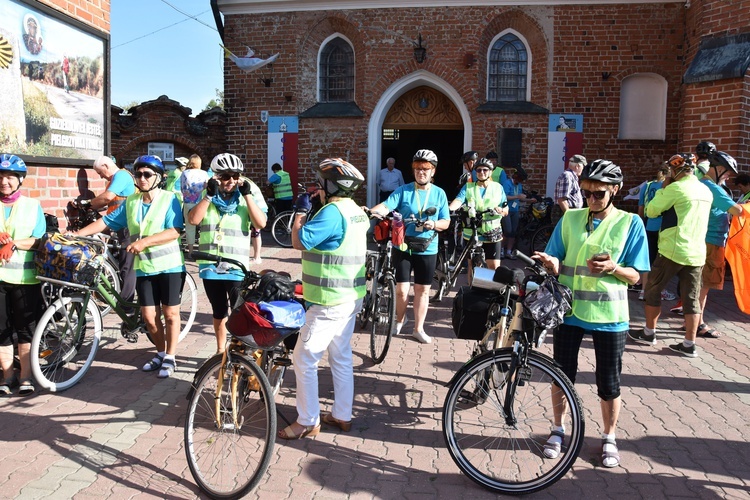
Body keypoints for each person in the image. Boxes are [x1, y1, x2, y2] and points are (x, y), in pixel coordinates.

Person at [534, 159, 649, 469]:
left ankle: (609, 437)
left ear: (615, 190)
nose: (591, 199)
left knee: (608, 382)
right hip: (570, 311)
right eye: (586, 193)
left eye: (598, 194)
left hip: (609, 315)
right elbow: (557, 257)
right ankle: (558, 429)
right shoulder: (570, 218)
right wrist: (552, 263)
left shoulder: (630, 223)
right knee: (562, 375)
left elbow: (637, 276)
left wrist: (614, 268)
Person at [73, 155, 186, 378]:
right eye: (139, 174)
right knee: (149, 318)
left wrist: (144, 242)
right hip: (144, 267)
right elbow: (106, 222)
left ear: (159, 178)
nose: (142, 179)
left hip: (170, 266)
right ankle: (161, 353)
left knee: (170, 314)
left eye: (147, 175)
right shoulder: (132, 202)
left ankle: (171, 357)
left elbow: (175, 230)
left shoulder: (169, 199)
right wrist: (77, 235)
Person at [280, 158, 368, 440]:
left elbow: (298, 242)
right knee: (340, 356)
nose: (317, 189)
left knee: (303, 358)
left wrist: (301, 214)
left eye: (320, 184)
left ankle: (307, 420)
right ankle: (342, 414)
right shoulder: (356, 211)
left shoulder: (331, 213)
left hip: (328, 301)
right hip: (351, 297)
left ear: (331, 186)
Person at [628, 153, 713, 358]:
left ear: (676, 170)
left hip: (672, 249)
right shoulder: (705, 190)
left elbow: (652, 210)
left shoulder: (675, 188)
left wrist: (664, 187)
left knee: (653, 290)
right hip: (696, 252)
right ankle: (689, 344)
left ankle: (649, 333)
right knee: (691, 298)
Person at [188, 154, 266, 354]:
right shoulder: (206, 193)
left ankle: (241, 351)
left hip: (235, 266)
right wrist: (208, 196)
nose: (230, 181)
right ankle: (220, 351)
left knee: (239, 312)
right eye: (225, 176)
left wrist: (247, 195)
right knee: (218, 310)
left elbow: (260, 223)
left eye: (234, 176)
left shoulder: (247, 195)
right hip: (211, 265)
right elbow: (193, 220)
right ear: (216, 177)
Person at [369, 149, 450, 344]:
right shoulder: (403, 190)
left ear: (433, 171)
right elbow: (387, 205)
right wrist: (371, 211)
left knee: (422, 290)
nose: (420, 172)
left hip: (427, 247)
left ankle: (418, 329)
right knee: (401, 290)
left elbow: (446, 221)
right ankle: (399, 320)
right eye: (416, 168)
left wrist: (434, 224)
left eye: (425, 168)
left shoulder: (439, 194)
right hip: (404, 246)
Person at [0, 154, 46, 396]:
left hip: (25, 280)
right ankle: (8, 377)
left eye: (9, 177)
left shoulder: (32, 206)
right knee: (1, 329)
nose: (4, 181)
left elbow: (39, 240)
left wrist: (15, 243)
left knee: (25, 328)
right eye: (0, 177)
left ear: (20, 180)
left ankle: (26, 376)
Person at [693, 151, 743, 339]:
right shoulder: (713, 188)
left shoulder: (702, 184)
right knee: (704, 285)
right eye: (728, 173)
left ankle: (692, 321)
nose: (729, 177)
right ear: (719, 169)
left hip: (703, 238)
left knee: (698, 284)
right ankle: (699, 324)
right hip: (711, 240)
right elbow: (736, 210)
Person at [84, 155, 136, 307]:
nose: (100, 176)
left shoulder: (121, 175)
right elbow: (110, 203)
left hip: (126, 225)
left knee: (128, 265)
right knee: (120, 262)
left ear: (106, 166)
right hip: (117, 224)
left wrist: (88, 204)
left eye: (100, 172)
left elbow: (107, 197)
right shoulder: (113, 180)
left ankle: (127, 305)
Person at [448, 157, 508, 270]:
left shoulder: (498, 188)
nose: (481, 172)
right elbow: (458, 201)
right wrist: (449, 209)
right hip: (472, 232)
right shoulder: (468, 187)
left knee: (494, 267)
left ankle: (491, 288)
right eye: (478, 170)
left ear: (490, 172)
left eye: (485, 170)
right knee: (473, 266)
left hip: (493, 232)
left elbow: (506, 209)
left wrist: (502, 211)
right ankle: (472, 287)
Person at [636, 164, 675, 302]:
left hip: (648, 225)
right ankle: (661, 290)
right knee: (660, 261)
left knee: (648, 259)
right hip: (662, 227)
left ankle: (643, 290)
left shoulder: (647, 186)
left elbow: (641, 206)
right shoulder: (669, 187)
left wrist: (641, 223)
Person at [179, 154, 208, 259]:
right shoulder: (204, 173)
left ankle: (190, 251)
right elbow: (207, 187)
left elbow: (182, 188)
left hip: (188, 202)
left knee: (189, 227)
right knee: (204, 227)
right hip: (201, 203)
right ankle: (201, 249)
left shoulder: (184, 173)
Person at [501, 166, 532, 259]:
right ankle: (501, 249)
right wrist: (517, 196)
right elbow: (504, 197)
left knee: (513, 232)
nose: (520, 181)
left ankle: (509, 251)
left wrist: (530, 200)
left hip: (515, 210)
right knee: (507, 231)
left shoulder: (519, 185)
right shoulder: (507, 183)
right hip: (507, 210)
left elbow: (520, 198)